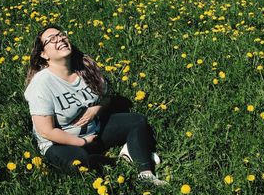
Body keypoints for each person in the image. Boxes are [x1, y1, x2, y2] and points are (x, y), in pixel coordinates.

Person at [24, 25, 166, 186]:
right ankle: (117, 160)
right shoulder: (42, 84)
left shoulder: (84, 69)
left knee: (137, 121)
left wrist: (95, 110)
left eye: (61, 35)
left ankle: (146, 174)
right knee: (79, 163)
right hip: (60, 143)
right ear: (44, 54)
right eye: (52, 39)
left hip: (94, 132)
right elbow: (46, 131)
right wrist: (82, 142)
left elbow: (107, 98)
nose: (60, 39)